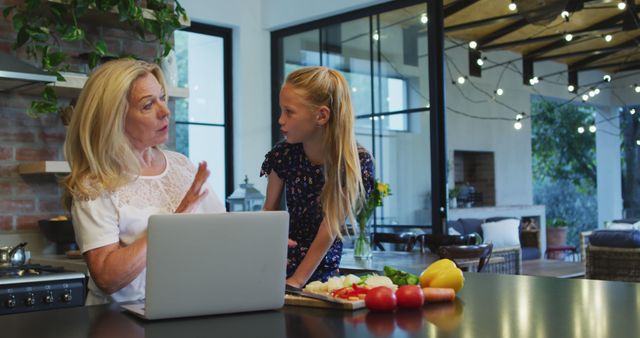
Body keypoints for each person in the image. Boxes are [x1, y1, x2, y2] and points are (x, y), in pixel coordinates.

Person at [62, 58, 226, 305]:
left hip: (188, 307)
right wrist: (175, 221)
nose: (165, 111)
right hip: (122, 322)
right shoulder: (95, 184)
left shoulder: (182, 165)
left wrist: (257, 242)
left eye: (162, 98)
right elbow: (107, 278)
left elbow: (222, 233)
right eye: (148, 105)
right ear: (114, 118)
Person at [261, 66, 375, 287]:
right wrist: (270, 243)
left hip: (320, 274)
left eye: (289, 112)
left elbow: (329, 227)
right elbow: (269, 211)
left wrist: (297, 280)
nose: (280, 120)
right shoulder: (283, 154)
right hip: (279, 262)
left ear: (321, 115)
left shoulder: (354, 162)